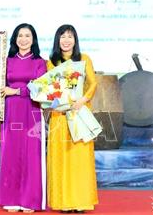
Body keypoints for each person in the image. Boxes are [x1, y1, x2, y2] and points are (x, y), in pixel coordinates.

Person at [46, 24, 98, 212]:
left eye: (70, 36)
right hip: (59, 117)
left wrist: (83, 100)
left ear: (75, 40)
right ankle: (63, 202)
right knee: (61, 159)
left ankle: (81, 201)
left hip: (79, 113)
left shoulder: (84, 59)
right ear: (57, 40)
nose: (66, 40)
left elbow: (93, 83)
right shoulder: (51, 62)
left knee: (79, 160)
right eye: (63, 36)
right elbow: (48, 89)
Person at [0, 23, 48, 213]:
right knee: (10, 154)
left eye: (28, 36)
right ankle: (11, 199)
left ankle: (30, 200)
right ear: (15, 39)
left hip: (31, 111)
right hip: (10, 111)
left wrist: (16, 91)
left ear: (33, 39)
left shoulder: (39, 62)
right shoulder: (7, 61)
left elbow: (40, 88)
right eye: (20, 35)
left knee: (31, 155)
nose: (23, 39)